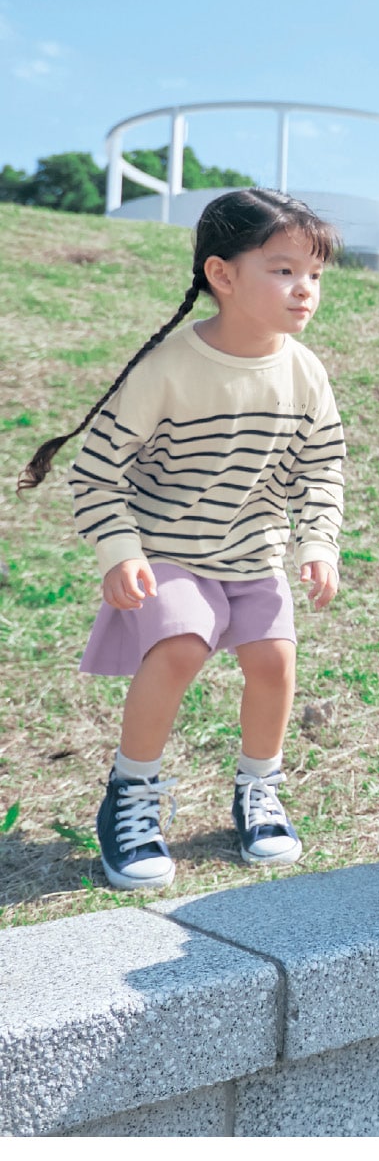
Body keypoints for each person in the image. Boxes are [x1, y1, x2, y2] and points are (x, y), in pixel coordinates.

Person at [17, 189, 345, 892]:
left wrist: (319, 542)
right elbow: (99, 470)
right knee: (181, 646)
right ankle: (131, 796)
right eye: (283, 270)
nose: (304, 289)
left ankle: (259, 790)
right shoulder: (168, 366)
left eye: (314, 274)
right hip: (167, 549)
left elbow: (321, 467)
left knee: (274, 664)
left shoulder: (305, 371)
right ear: (222, 275)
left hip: (253, 555)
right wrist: (121, 552)